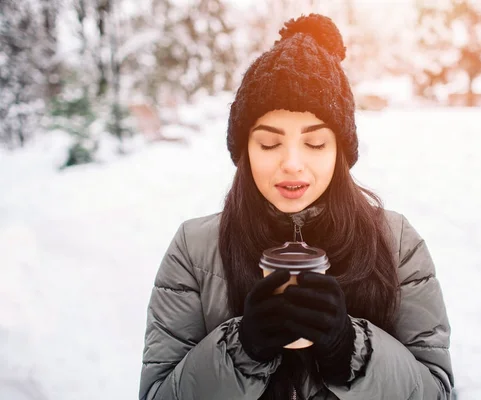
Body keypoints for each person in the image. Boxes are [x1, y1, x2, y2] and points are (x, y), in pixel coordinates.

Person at [139, 13, 454, 400]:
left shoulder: (396, 241)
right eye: (269, 144)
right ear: (244, 152)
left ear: (340, 151)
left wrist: (351, 350)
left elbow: (438, 392)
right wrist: (241, 350)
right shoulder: (195, 248)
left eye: (316, 143)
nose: (291, 162)